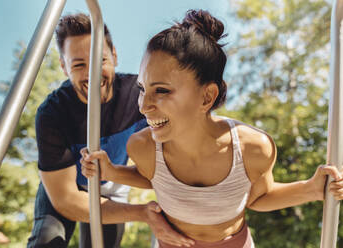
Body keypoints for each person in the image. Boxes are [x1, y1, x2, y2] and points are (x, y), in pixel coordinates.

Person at [81, 9, 343, 248]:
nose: (144, 106)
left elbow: (259, 198)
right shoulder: (143, 146)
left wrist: (311, 188)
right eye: (142, 89)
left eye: (161, 90)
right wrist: (112, 172)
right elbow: (154, 178)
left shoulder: (252, 149)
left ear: (206, 97)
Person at [27, 13, 194, 248]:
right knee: (47, 239)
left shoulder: (140, 96)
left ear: (114, 56)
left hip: (112, 183)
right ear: (64, 67)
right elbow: (65, 199)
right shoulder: (53, 114)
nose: (92, 73)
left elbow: (177, 150)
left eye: (100, 61)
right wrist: (141, 213)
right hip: (67, 187)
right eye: (79, 65)